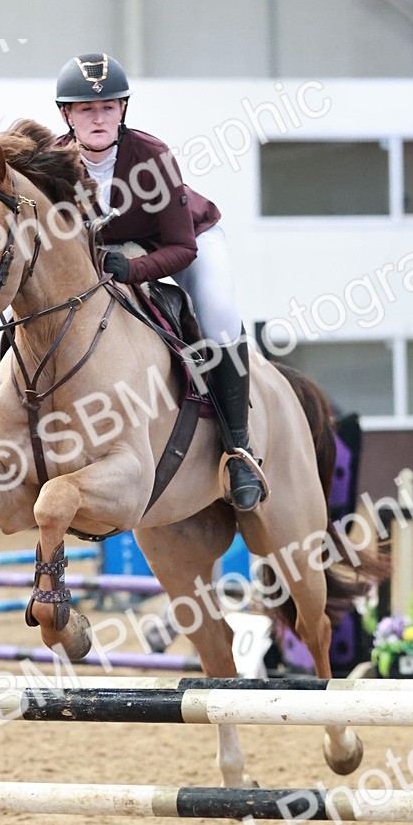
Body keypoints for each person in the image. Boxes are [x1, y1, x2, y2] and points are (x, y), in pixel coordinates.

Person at [54, 51, 266, 512]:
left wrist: (132, 270)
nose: (98, 117)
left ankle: (239, 453)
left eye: (108, 106)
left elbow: (182, 248)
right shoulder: (54, 163)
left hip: (185, 241)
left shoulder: (152, 155)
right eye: (86, 109)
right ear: (66, 114)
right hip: (109, 255)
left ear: (123, 110)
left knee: (219, 315)